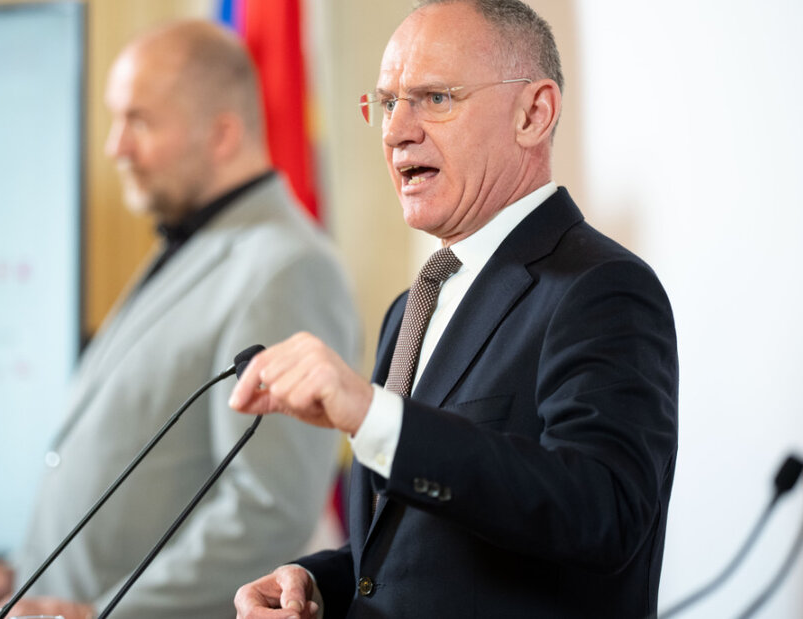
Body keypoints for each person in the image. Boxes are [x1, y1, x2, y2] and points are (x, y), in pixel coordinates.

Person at [230, 1, 679, 618]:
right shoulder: (413, 306)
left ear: (533, 113)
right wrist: (315, 584)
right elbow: (418, 551)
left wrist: (370, 414)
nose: (395, 131)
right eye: (388, 102)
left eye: (435, 98)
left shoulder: (601, 289)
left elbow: (601, 514)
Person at [0, 20, 361, 619]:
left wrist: (101, 613)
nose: (116, 147)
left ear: (222, 134)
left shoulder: (286, 267)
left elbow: (268, 510)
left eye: (139, 120)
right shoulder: (196, 240)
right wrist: (23, 573)